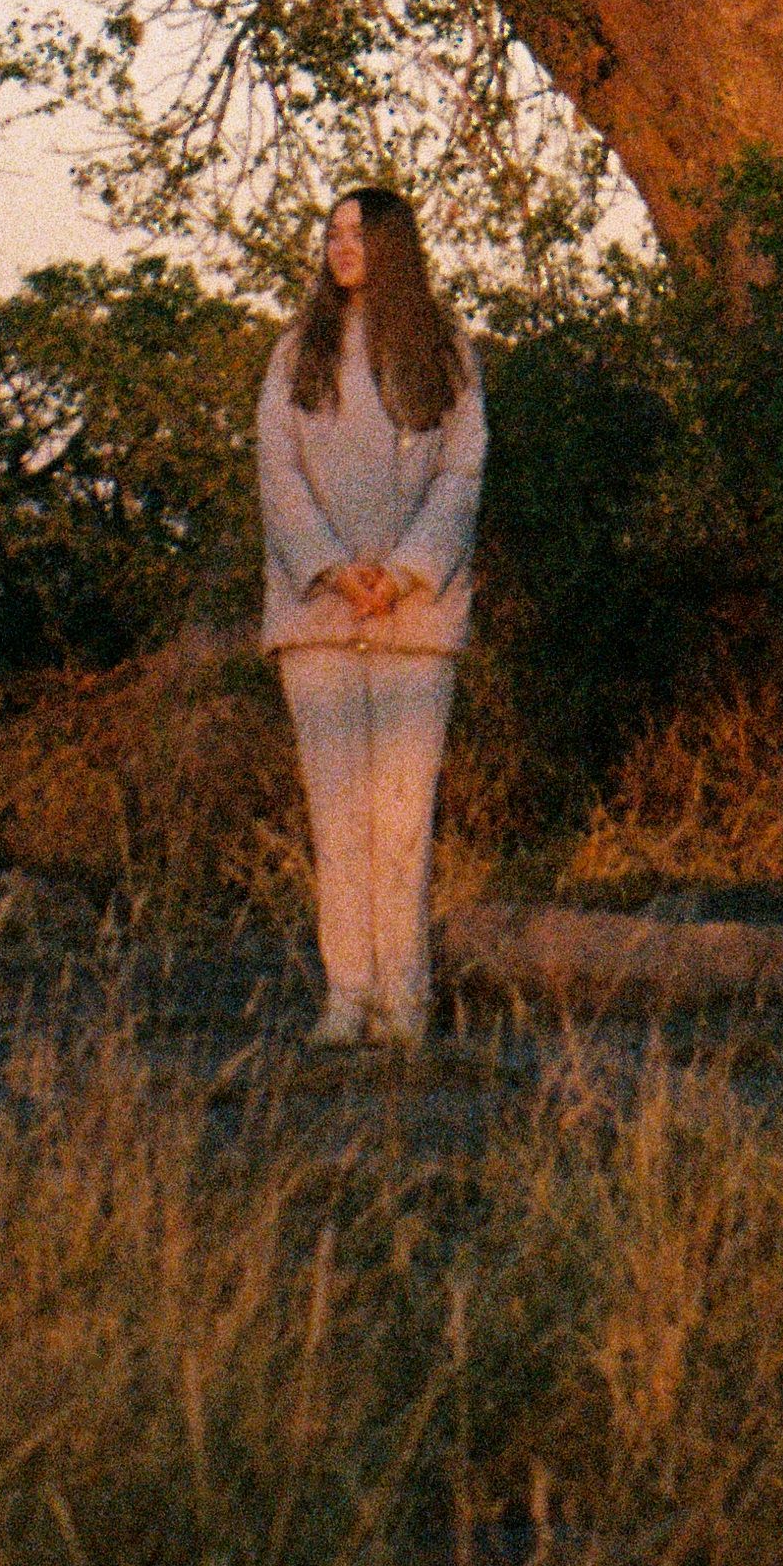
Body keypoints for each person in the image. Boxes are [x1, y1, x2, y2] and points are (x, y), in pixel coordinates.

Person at [256, 183, 486, 1046]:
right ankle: (345, 998)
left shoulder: (447, 351)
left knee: (402, 815)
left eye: (360, 232)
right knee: (336, 814)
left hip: (415, 620)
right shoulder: (295, 353)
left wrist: (404, 574)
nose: (342, 245)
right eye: (332, 232)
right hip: (316, 614)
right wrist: (330, 568)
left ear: (395, 243)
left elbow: (461, 476)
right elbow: (277, 473)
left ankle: (404, 1002)